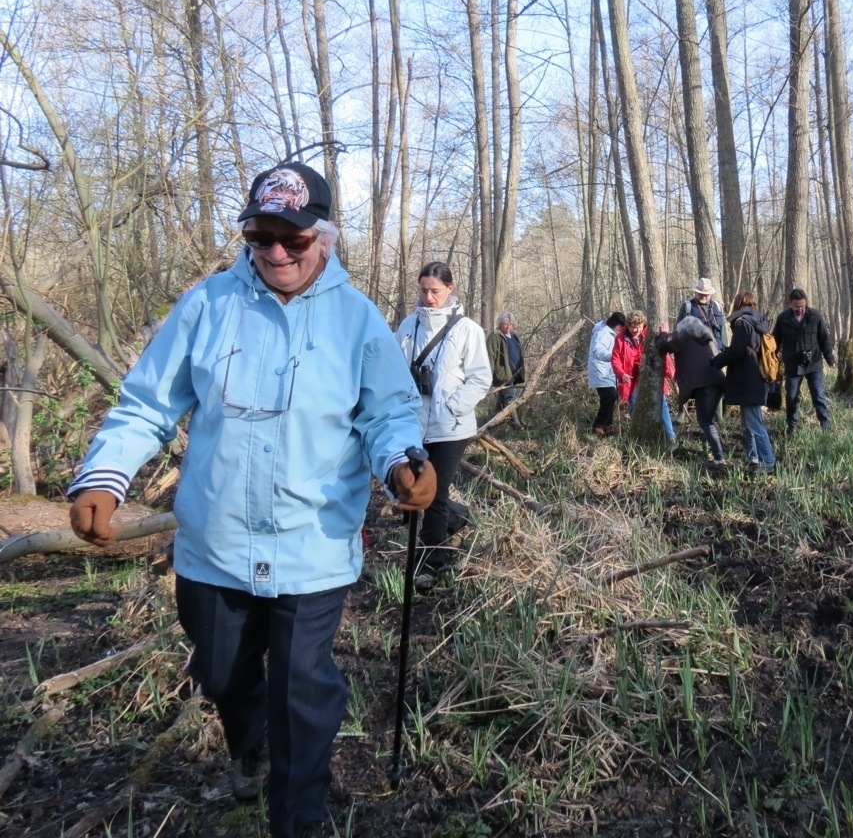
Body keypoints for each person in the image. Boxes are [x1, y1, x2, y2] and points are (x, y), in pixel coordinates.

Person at [66, 163, 434, 838]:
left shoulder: (358, 321)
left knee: (303, 692)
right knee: (220, 672)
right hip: (216, 544)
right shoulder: (207, 305)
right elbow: (148, 403)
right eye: (262, 237)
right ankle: (252, 740)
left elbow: (388, 414)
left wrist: (402, 464)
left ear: (323, 237)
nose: (276, 253)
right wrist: (103, 475)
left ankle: (298, 818)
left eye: (293, 239)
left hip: (313, 542)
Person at [396, 262, 492, 583]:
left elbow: (481, 378)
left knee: (435, 492)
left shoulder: (468, 330)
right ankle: (456, 519)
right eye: (423, 290)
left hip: (452, 425)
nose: (428, 297)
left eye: (435, 291)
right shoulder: (409, 325)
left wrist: (452, 407)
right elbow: (394, 369)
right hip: (415, 422)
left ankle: (434, 562)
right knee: (417, 488)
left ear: (450, 289)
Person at [711, 290, 775, 473]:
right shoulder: (759, 321)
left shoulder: (741, 323)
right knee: (749, 422)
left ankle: (767, 461)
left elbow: (737, 351)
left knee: (754, 423)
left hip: (748, 378)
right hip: (757, 376)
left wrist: (717, 361)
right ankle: (753, 456)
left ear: (738, 303)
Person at [658, 315, 726, 466]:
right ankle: (721, 452)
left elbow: (662, 345)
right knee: (709, 420)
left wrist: (664, 334)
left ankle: (719, 458)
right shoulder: (707, 338)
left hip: (704, 384)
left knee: (705, 421)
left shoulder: (684, 335)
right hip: (717, 381)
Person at [772, 288, 836, 433]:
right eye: (796, 307)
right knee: (791, 396)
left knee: (818, 395)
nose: (800, 310)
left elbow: (824, 339)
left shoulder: (815, 316)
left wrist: (830, 358)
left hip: (814, 363)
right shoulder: (783, 318)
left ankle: (825, 425)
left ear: (806, 303)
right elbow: (775, 340)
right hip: (793, 365)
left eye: (802, 306)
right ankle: (792, 426)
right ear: (790, 304)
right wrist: (772, 357)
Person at [611, 311, 675, 441]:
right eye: (633, 326)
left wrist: (666, 335)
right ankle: (639, 434)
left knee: (661, 402)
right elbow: (615, 359)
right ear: (627, 326)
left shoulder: (650, 334)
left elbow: (665, 350)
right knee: (633, 402)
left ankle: (670, 436)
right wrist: (621, 373)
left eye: (639, 326)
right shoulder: (620, 338)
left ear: (643, 325)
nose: (636, 330)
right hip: (631, 376)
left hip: (650, 372)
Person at [587, 311, 626, 435]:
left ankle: (607, 425)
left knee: (611, 397)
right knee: (609, 397)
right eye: (620, 326)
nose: (621, 329)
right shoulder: (603, 332)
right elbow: (598, 350)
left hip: (607, 371)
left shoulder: (610, 333)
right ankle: (599, 425)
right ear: (616, 324)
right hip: (600, 370)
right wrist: (613, 357)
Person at [487, 310, 524, 428]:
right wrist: (489, 376)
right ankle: (515, 423)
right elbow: (490, 357)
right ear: (500, 324)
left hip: (514, 372)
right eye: (506, 324)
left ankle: (492, 424)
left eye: (511, 324)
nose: (508, 326)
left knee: (502, 398)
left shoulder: (514, 336)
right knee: (510, 397)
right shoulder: (495, 336)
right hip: (502, 373)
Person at [676, 277, 726, 351]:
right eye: (701, 294)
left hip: (718, 354)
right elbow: (678, 332)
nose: (703, 297)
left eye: (706, 295)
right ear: (695, 293)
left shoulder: (717, 306)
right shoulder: (688, 307)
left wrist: (725, 351)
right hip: (696, 355)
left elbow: (723, 333)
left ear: (710, 294)